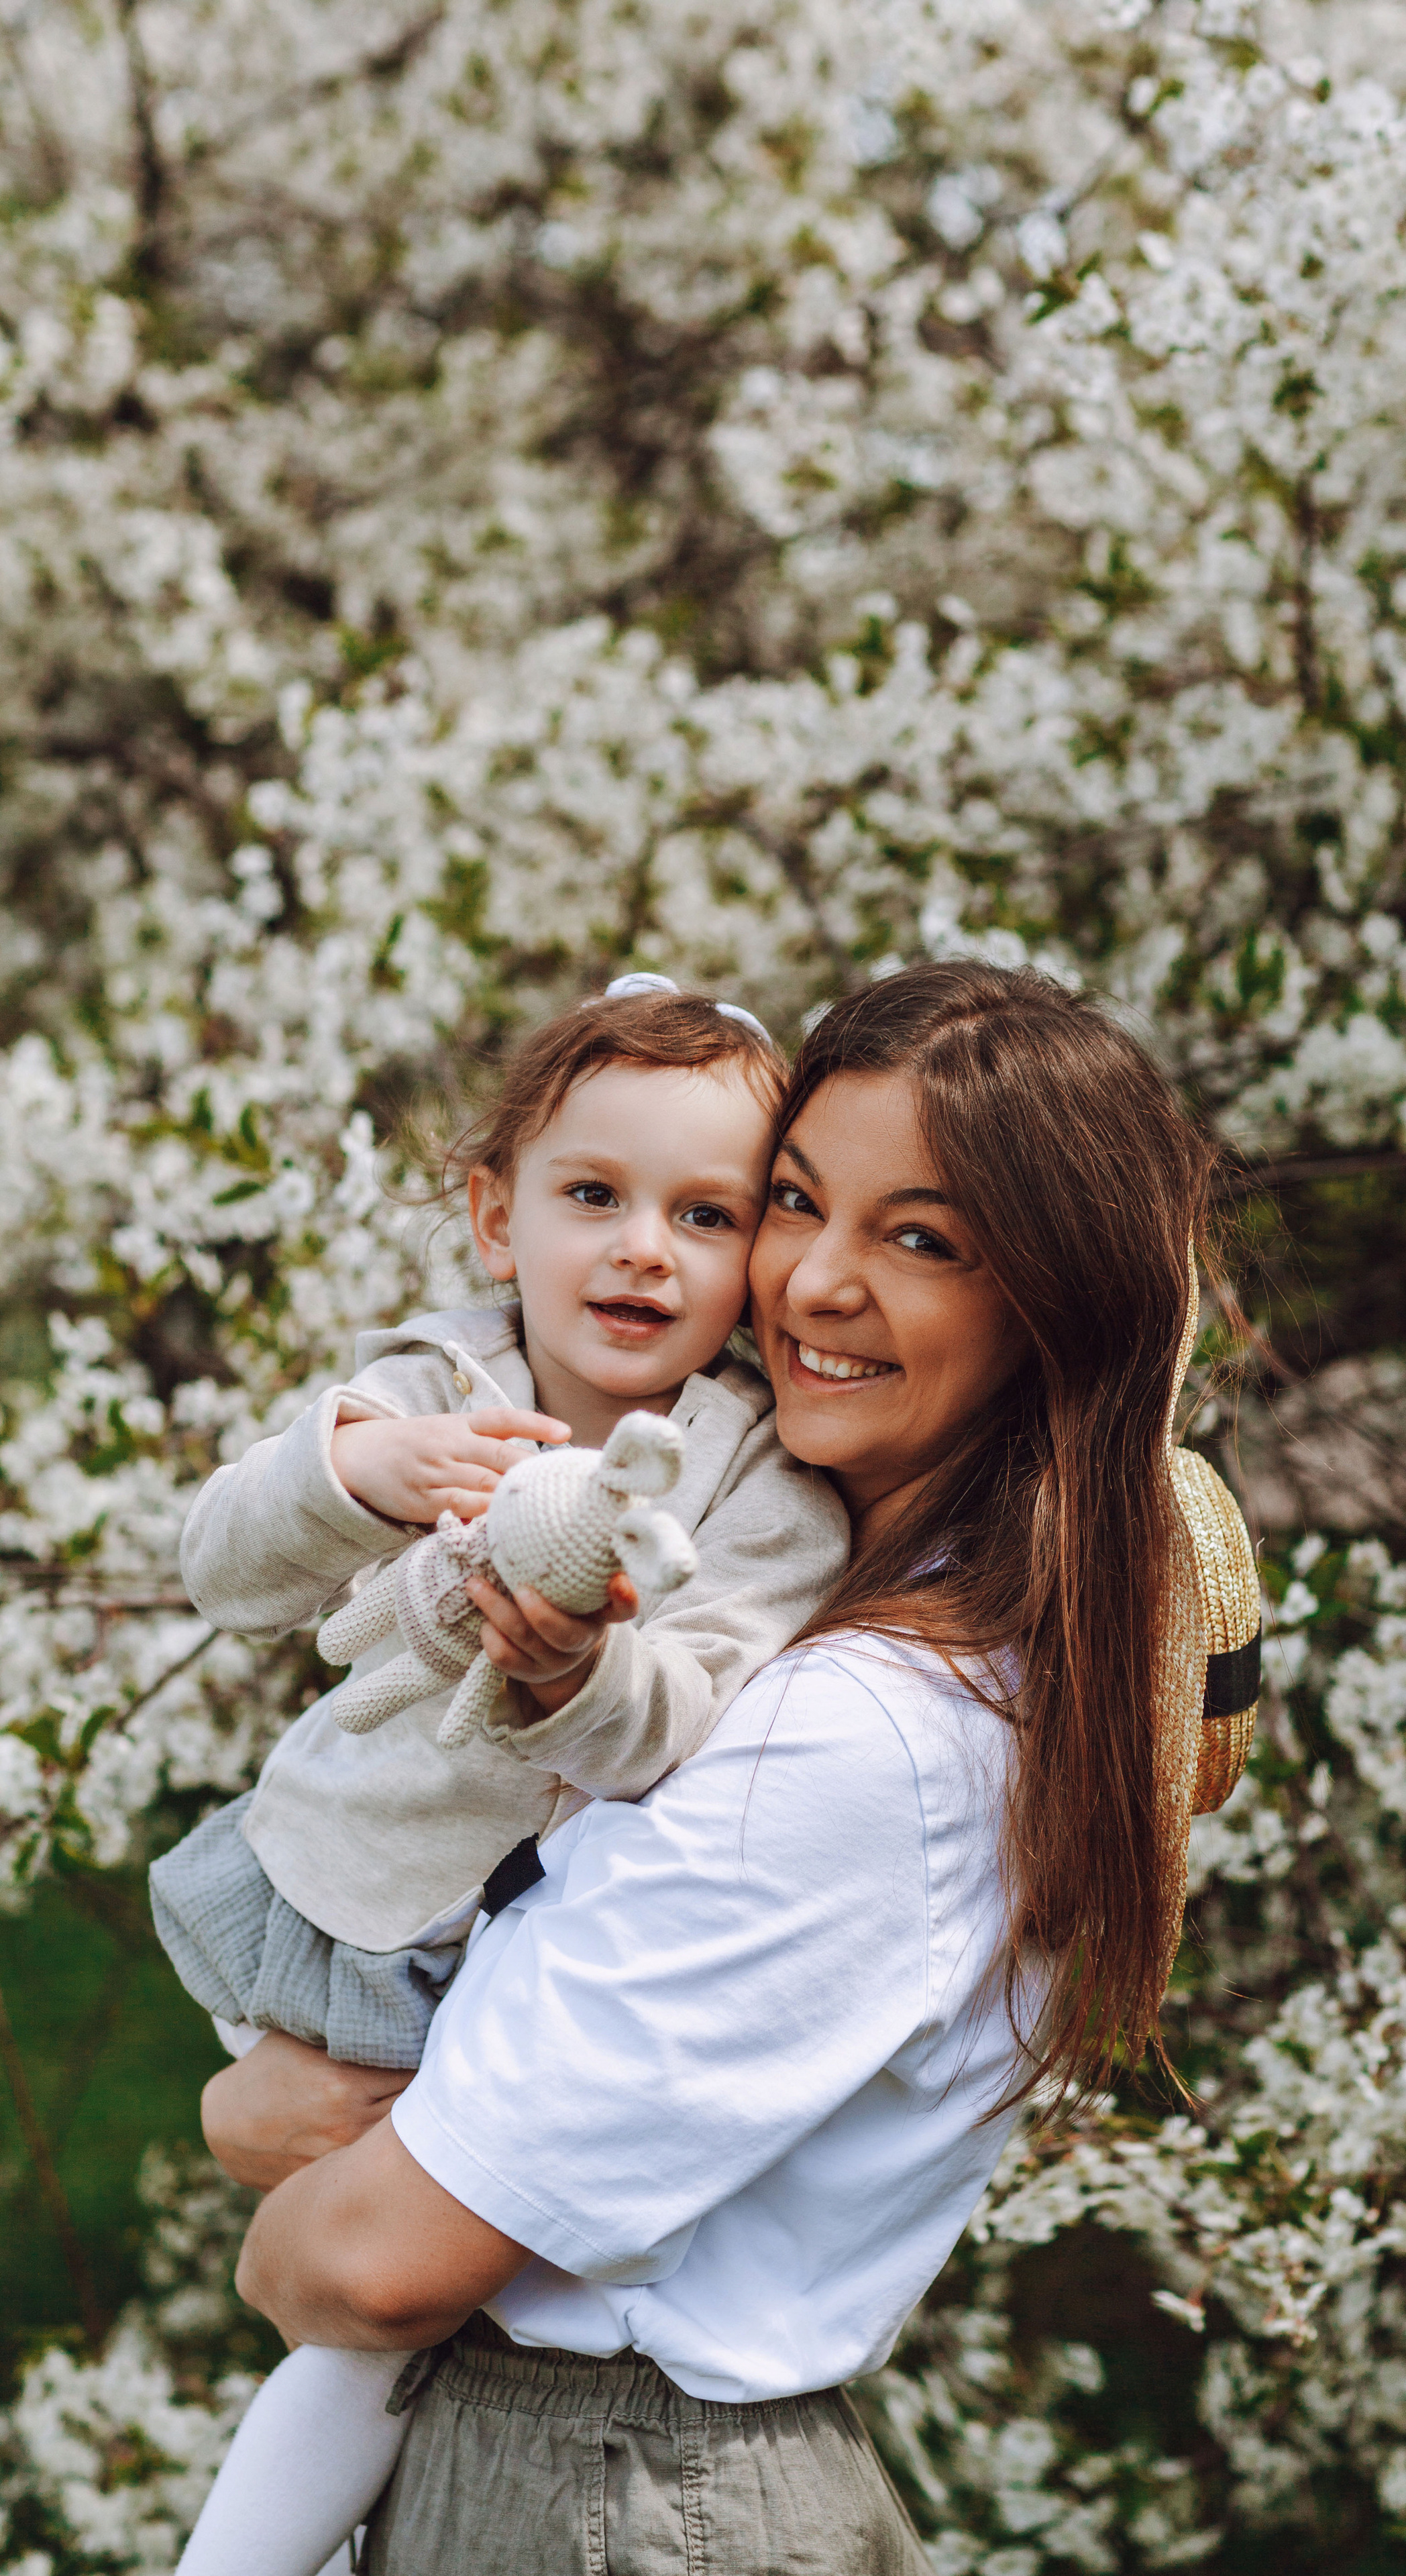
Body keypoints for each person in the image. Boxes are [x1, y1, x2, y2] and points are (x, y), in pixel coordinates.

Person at [202, 959, 1222, 2576]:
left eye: (922, 1239)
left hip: (606, 2487)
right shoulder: (818, 1618)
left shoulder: (869, 1736)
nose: (812, 1281)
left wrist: (265, 2151)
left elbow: (376, 2262)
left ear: (1048, 1309)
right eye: (798, 1203)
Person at [155, 977, 849, 2576]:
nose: (642, 1249)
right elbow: (222, 1561)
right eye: (591, 1196)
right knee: (382, 2322)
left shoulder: (756, 1488)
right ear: (494, 1216)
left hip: (499, 1949)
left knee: (389, 2327)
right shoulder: (432, 1386)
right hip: (333, 1901)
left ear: (758, 1255)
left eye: (705, 1214)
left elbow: (681, 1711)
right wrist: (345, 1471)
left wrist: (573, 1672)